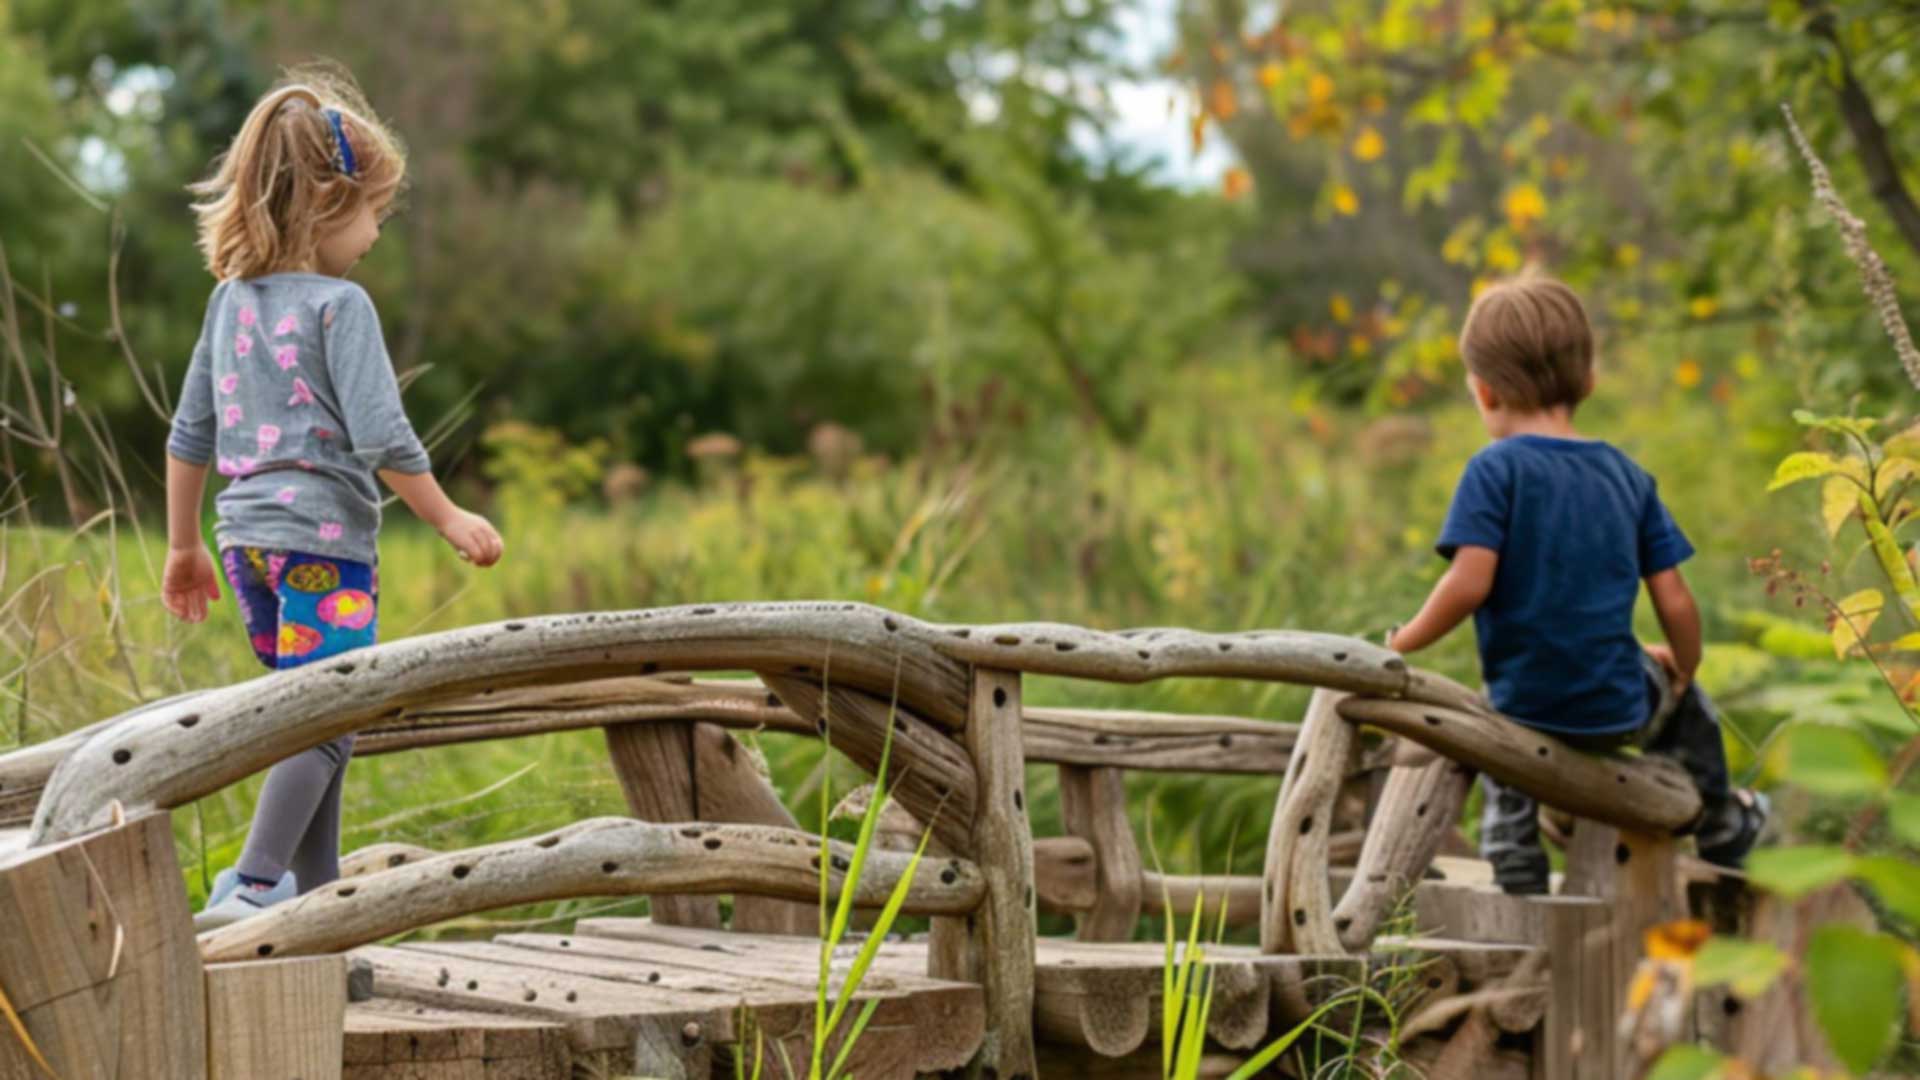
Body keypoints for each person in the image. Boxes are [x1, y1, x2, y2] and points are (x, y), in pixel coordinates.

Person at [161, 67, 504, 930]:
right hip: (320, 549)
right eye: (374, 214)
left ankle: (320, 913)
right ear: (324, 203)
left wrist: (183, 547)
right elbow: (383, 437)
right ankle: (256, 882)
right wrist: (448, 516)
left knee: (320, 723)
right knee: (324, 722)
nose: (377, 236)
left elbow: (188, 434)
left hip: (245, 547)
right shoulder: (340, 307)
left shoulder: (227, 305)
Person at [1386, 272, 1767, 894]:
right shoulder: (1628, 477)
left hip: (1526, 706)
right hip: (1616, 708)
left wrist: (1402, 641)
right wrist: (1685, 669)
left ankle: (1512, 848)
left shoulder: (1493, 471)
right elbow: (1674, 598)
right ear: (1588, 381)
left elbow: (1468, 583)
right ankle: (1723, 823)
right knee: (1689, 710)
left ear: (1484, 392)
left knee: (1497, 714)